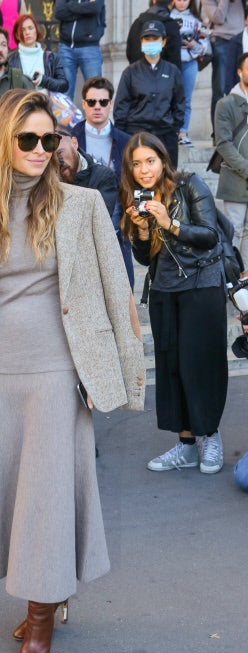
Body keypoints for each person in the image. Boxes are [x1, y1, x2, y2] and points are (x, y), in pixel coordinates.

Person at [0, 89, 145, 653]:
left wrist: (122, 370)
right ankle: (45, 591)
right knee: (17, 494)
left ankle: (42, 613)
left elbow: (113, 288)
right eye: (27, 139)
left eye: (49, 139)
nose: (38, 149)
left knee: (47, 494)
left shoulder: (80, 205)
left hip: (58, 365)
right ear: (2, 139)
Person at [120, 131, 228, 474]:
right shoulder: (138, 198)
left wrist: (170, 222)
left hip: (201, 283)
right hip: (165, 289)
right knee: (171, 366)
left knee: (202, 364)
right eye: (136, 164)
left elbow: (210, 236)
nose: (144, 170)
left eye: (150, 161)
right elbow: (143, 257)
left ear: (163, 160)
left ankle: (209, 437)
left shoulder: (190, 185)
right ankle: (185, 444)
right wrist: (139, 229)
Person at [56, 125, 134, 288]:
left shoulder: (102, 176)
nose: (58, 162)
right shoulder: (49, 178)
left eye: (59, 154)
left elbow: (96, 222)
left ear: (74, 143)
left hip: (96, 265)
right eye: (50, 158)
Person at [114, 20, 185, 168]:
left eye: (155, 39)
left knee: (168, 178)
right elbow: (121, 106)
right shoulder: (131, 72)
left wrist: (174, 129)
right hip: (136, 133)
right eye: (147, 39)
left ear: (163, 41)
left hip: (165, 134)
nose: (151, 42)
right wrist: (122, 136)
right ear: (141, 42)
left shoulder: (172, 71)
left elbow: (179, 103)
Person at [215, 52, 248, 268]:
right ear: (239, 72)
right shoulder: (226, 104)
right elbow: (223, 143)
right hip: (235, 180)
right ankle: (233, 281)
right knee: (233, 232)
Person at [201, 0, 245, 139]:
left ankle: (240, 130)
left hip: (240, 39)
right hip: (221, 42)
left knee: (242, 87)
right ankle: (219, 133)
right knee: (220, 89)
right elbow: (217, 17)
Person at [170, 0, 210, 147]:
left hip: (189, 63)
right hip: (171, 63)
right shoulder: (167, 17)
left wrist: (192, 44)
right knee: (170, 97)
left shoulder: (197, 21)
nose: (181, 3)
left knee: (186, 99)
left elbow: (204, 47)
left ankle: (183, 132)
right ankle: (170, 132)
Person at [54, 0, 106, 102]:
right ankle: (66, 118)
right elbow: (59, 12)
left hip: (90, 47)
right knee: (64, 94)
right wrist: (84, 10)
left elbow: (95, 7)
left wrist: (70, 6)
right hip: (66, 47)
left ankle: (95, 118)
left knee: (95, 92)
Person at [8, 14, 68, 94]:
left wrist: (43, 80)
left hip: (45, 103)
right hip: (21, 104)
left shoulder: (51, 58)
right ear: (16, 35)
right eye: (22, 30)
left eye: (30, 28)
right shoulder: (10, 60)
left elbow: (64, 85)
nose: (27, 32)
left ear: (36, 30)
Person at [126, 0, 182, 70]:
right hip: (165, 76)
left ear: (154, 1)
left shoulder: (137, 23)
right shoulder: (171, 25)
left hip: (138, 73)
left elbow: (129, 52)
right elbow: (175, 57)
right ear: (172, 3)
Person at [225, 7, 248, 94]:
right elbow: (230, 69)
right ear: (245, 20)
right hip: (241, 88)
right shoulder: (235, 41)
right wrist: (229, 93)